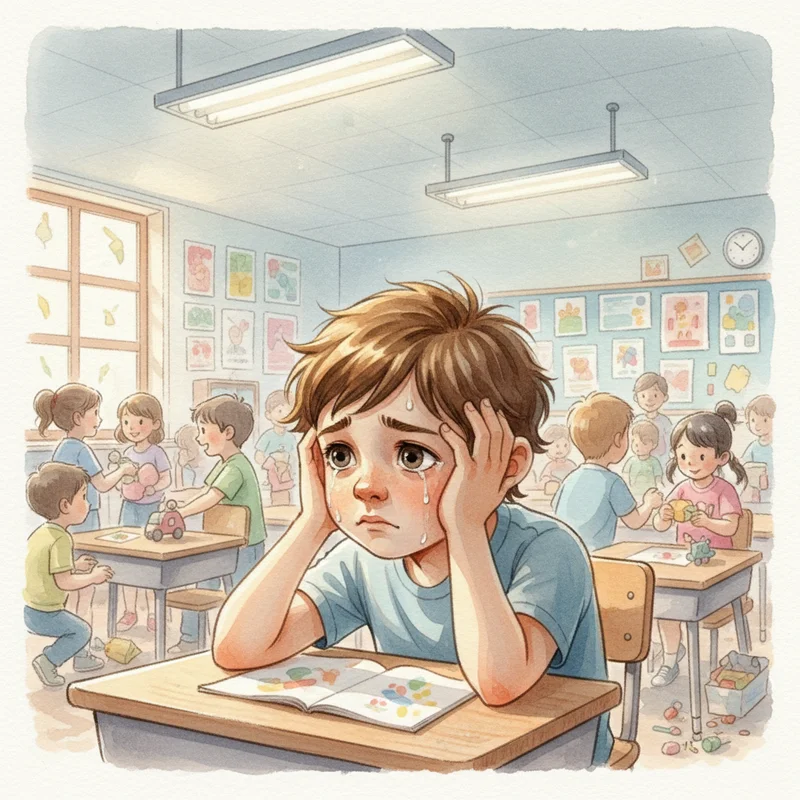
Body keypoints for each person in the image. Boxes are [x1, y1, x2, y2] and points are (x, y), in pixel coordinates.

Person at [212, 277, 616, 767]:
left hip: (552, 765)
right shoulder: (363, 557)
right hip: (428, 759)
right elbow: (237, 649)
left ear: (507, 465)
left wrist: (465, 525)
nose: (366, 485)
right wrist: (314, 521)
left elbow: (499, 682)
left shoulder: (549, 549)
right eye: (340, 454)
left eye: (411, 454)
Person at [650, 401, 746, 687]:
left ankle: (679, 657)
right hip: (686, 567)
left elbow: (731, 526)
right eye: (683, 456)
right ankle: (670, 659)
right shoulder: (681, 489)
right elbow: (659, 526)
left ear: (721, 457)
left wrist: (706, 522)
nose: (690, 463)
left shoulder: (724, 490)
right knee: (665, 606)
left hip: (718, 571)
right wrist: (663, 515)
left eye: (700, 456)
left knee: (679, 606)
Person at [33, 384, 136, 646]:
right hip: (85, 523)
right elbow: (102, 484)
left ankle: (80, 637)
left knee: (74, 587)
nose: (99, 419)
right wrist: (124, 470)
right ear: (78, 417)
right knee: (85, 587)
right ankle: (83, 642)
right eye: (95, 413)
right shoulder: (80, 449)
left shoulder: (61, 448)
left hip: (67, 523)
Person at [167, 395, 267, 654]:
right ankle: (191, 639)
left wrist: (181, 513)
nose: (199, 438)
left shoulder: (237, 467)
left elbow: (212, 497)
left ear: (228, 433)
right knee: (203, 587)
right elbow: (204, 491)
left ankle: (243, 642)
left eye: (203, 430)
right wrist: (178, 499)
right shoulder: (225, 464)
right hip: (221, 543)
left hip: (245, 545)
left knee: (240, 596)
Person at [24, 462, 114, 686]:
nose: (88, 502)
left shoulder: (42, 533)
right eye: (83, 496)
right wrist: (93, 577)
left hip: (31, 607)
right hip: (44, 613)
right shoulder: (62, 539)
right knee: (81, 631)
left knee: (76, 623)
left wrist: (75, 565)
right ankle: (48, 661)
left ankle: (81, 659)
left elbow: (50, 567)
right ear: (65, 505)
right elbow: (64, 581)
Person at [553, 393, 663, 552]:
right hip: (597, 558)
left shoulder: (570, 478)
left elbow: (557, 510)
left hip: (567, 554)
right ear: (618, 440)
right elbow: (635, 522)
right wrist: (649, 503)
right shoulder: (612, 482)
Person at [114, 393, 172, 634]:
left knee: (149, 564)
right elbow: (121, 479)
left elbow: (166, 478)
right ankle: (130, 611)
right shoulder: (127, 453)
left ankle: (152, 613)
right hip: (129, 509)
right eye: (126, 422)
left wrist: (153, 488)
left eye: (139, 422)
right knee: (128, 561)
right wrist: (123, 486)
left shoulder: (157, 452)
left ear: (155, 424)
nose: (132, 428)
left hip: (151, 510)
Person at [254, 390, 298, 504]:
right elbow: (258, 455)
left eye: (289, 413)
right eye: (280, 411)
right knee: (276, 495)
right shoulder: (267, 436)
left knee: (287, 496)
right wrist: (270, 463)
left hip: (286, 471)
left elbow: (294, 456)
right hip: (273, 471)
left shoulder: (291, 437)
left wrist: (288, 461)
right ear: (268, 415)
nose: (284, 416)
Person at [632, 372, 672, 472]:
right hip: (641, 464)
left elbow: (669, 443)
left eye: (655, 395)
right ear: (636, 398)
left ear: (665, 397)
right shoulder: (637, 421)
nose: (649, 400)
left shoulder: (665, 422)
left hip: (661, 464)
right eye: (643, 396)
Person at [741, 394, 775, 505]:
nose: (757, 425)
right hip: (759, 492)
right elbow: (744, 465)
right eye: (753, 420)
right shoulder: (753, 447)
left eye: (764, 420)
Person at [621, 419, 664, 500]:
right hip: (633, 494)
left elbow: (658, 478)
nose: (638, 448)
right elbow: (625, 474)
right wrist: (626, 486)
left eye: (643, 445)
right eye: (635, 444)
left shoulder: (654, 462)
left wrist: (660, 487)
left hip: (650, 495)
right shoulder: (631, 461)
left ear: (654, 445)